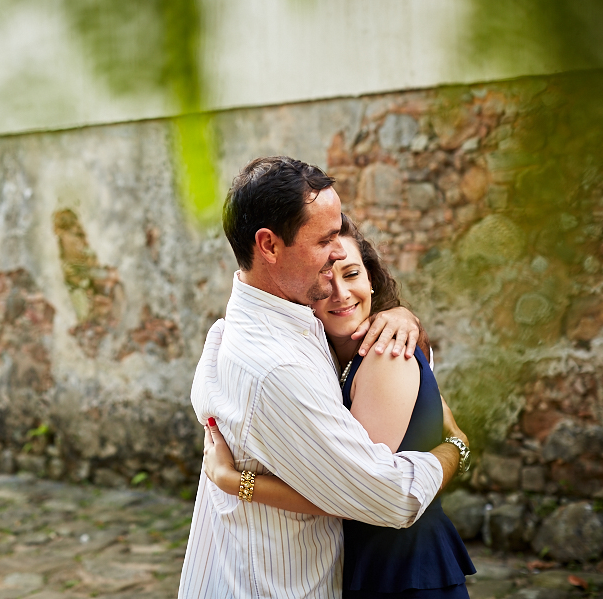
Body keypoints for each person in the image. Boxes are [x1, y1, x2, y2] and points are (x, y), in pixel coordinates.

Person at [178, 156, 470, 599]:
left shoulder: (256, 326)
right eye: (326, 239)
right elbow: (388, 496)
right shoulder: (279, 368)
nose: (337, 253)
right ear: (269, 246)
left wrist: (400, 314)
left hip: (391, 572)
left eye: (350, 265)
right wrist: (453, 449)